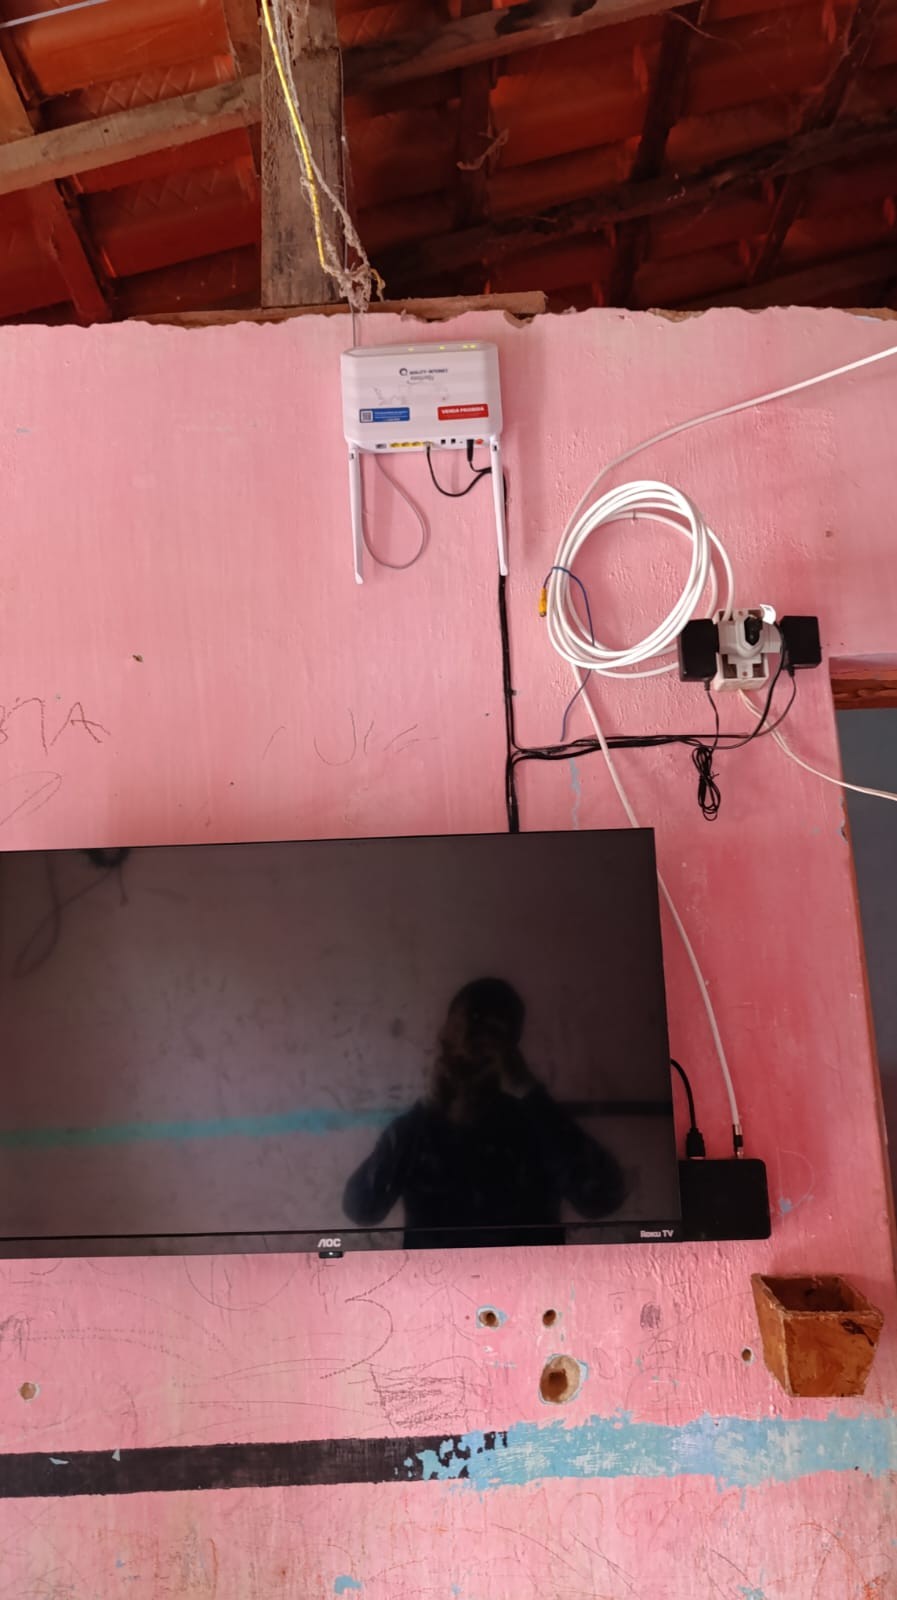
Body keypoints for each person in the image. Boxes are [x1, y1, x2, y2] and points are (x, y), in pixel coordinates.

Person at [342, 977, 625, 1248]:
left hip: (529, 1279)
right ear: (443, 1037)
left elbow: (602, 1199)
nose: (470, 1043)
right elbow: (362, 1209)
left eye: (490, 1032)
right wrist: (427, 1108)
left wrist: (526, 1089)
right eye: (464, 1026)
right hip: (435, 1281)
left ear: (510, 1049)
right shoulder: (416, 1131)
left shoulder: (535, 1125)